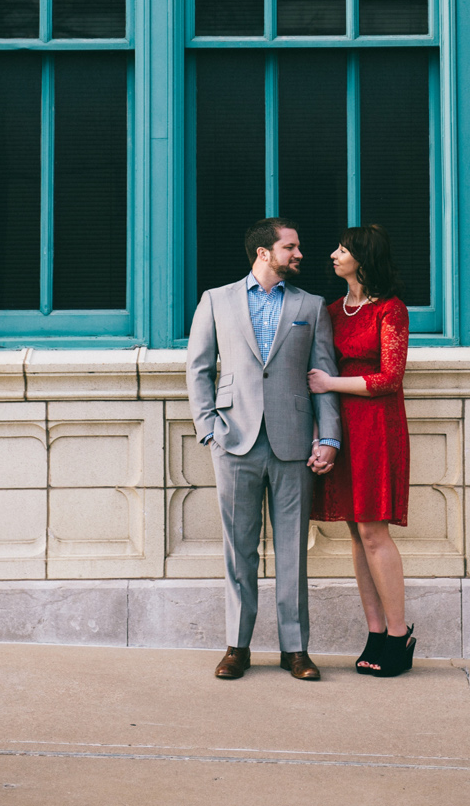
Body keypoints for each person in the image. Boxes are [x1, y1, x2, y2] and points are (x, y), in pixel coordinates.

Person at [186, 217, 342, 682]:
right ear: (263, 253)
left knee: (293, 550)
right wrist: (208, 427)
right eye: (290, 247)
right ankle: (238, 646)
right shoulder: (216, 300)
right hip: (234, 440)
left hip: (294, 441)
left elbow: (323, 376)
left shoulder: (310, 306)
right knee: (239, 549)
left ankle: (295, 649)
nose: (299, 255)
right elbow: (197, 369)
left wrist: (329, 436)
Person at [307, 224, 415, 678]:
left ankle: (398, 635)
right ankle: (374, 632)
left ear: (363, 259)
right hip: (341, 429)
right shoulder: (331, 310)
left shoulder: (391, 310)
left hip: (376, 428)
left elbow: (390, 377)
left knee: (374, 532)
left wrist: (331, 383)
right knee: (355, 533)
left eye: (343, 249)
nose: (333, 255)